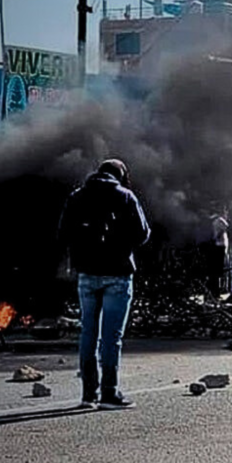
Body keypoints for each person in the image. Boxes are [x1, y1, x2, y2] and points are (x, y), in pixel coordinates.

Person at [58, 159, 150, 410]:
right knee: (111, 337)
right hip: (118, 274)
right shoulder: (125, 196)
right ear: (121, 175)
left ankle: (88, 395)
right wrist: (120, 244)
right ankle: (109, 393)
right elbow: (142, 233)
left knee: (88, 333)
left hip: (87, 275)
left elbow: (63, 233)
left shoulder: (77, 196)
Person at [206, 207, 230, 299]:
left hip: (214, 247)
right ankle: (215, 292)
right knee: (217, 271)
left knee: (213, 272)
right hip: (219, 247)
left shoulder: (210, 220)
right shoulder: (220, 220)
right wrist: (216, 237)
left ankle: (212, 292)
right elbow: (226, 228)